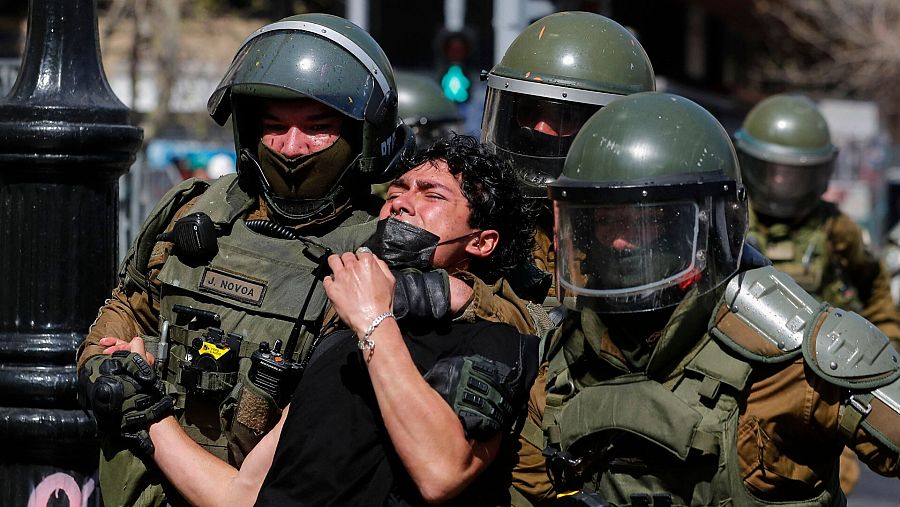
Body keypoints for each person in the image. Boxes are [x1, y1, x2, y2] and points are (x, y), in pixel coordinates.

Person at [74, 15, 534, 507]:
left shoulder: (384, 246)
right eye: (274, 127)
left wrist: (454, 295)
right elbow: (129, 306)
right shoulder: (195, 207)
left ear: (358, 135)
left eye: (317, 129)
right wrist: (106, 367)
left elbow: (509, 317)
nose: (292, 148)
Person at [511, 92, 900, 505]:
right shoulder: (561, 361)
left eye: (645, 222)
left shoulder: (797, 358)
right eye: (604, 221)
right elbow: (526, 491)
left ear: (705, 224)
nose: (621, 240)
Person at [480, 11, 656, 305]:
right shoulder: (484, 210)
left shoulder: (639, 230)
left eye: (565, 116)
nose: (540, 130)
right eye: (529, 110)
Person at [736, 93, 900, 351]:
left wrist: (888, 352)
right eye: (773, 172)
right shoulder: (730, 221)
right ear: (750, 163)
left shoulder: (838, 229)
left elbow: (877, 295)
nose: (781, 183)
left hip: (827, 365)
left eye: (794, 176)